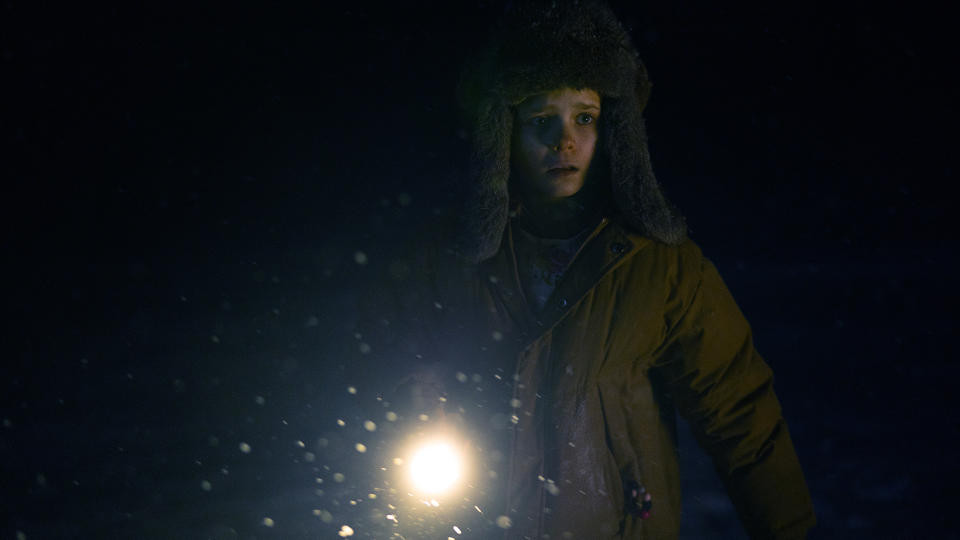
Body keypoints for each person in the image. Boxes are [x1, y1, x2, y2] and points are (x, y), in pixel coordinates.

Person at [357, 1, 816, 538]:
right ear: (501, 133)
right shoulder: (447, 260)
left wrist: (788, 528)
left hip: (619, 524)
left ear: (616, 131)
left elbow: (738, 408)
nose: (564, 141)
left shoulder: (662, 266)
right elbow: (384, 360)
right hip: (476, 523)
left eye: (585, 117)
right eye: (540, 120)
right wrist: (416, 397)